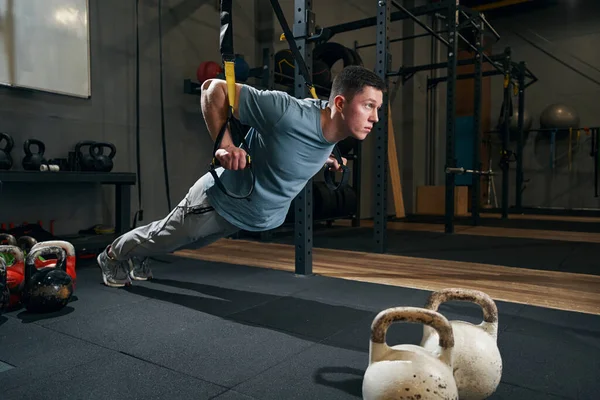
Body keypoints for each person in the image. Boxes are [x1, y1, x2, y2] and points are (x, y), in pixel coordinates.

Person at [97, 65, 385, 287]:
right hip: (217, 200)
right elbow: (213, 88)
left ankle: (140, 254)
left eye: (378, 109)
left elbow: (298, 150)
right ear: (339, 103)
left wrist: (329, 160)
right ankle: (111, 255)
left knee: (183, 244)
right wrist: (225, 146)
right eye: (368, 106)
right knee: (165, 236)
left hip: (246, 216)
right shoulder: (286, 112)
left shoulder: (333, 134)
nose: (375, 118)